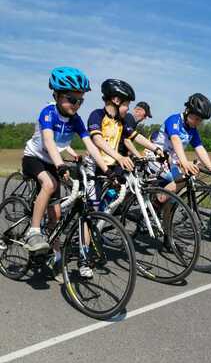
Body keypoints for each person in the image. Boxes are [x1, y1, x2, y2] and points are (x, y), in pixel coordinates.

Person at [22, 67, 109, 280]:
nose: (76, 104)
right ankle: (33, 231)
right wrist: (61, 165)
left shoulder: (77, 119)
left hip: (54, 162)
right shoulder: (48, 112)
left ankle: (54, 254)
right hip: (34, 158)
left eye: (80, 100)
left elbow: (90, 146)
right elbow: (50, 142)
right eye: (71, 99)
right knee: (49, 185)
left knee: (57, 215)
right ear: (56, 95)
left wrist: (108, 170)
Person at [85, 79, 162, 209]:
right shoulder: (97, 114)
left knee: (118, 190)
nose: (128, 109)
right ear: (116, 100)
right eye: (126, 105)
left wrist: (156, 149)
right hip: (95, 166)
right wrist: (120, 157)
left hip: (112, 164)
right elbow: (98, 140)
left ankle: (104, 214)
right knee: (91, 211)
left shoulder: (121, 121)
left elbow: (136, 136)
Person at [152, 93, 211, 193]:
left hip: (171, 162)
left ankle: (164, 207)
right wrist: (185, 162)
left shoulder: (192, 129)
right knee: (179, 181)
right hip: (157, 158)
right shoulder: (174, 120)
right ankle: (157, 202)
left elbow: (199, 148)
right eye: (196, 118)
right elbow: (175, 139)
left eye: (200, 120)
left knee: (183, 183)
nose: (198, 123)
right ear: (187, 111)